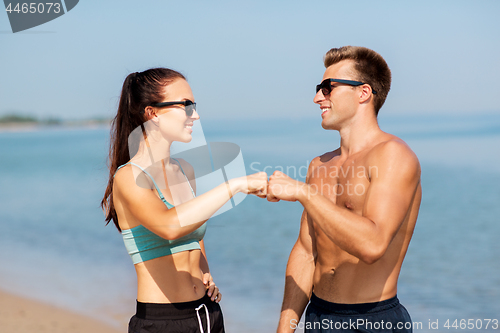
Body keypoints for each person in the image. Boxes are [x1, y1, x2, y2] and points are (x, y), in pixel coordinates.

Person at [101, 68, 268, 333]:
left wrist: (204, 270)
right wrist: (235, 184)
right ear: (153, 113)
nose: (195, 115)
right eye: (186, 105)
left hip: (207, 313)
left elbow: (194, 230)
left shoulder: (184, 170)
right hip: (162, 322)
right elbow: (169, 226)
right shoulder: (129, 177)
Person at [268, 46, 421, 332]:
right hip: (319, 316)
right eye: (318, 89)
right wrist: (285, 328)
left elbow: (373, 244)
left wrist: (304, 193)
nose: (317, 98)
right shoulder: (319, 164)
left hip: (373, 319)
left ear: (363, 93)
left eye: (328, 88)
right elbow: (306, 251)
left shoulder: (393, 155)